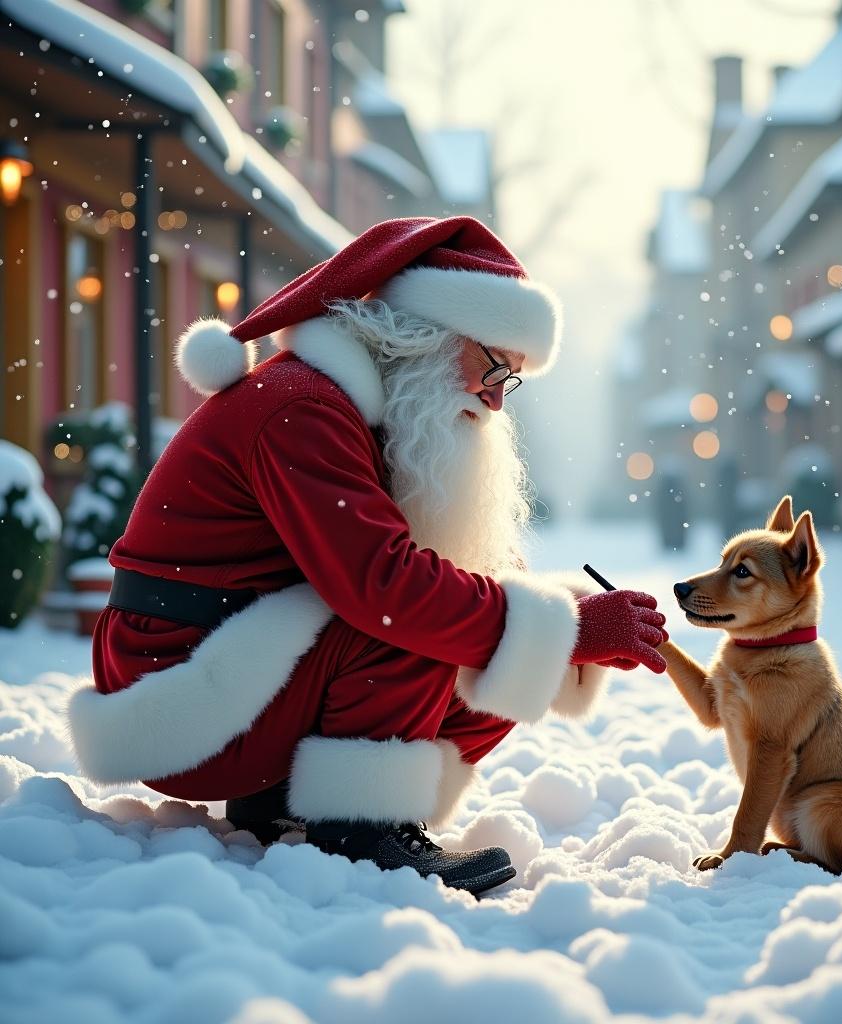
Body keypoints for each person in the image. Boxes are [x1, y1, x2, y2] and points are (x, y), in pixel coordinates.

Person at [69, 217, 668, 895]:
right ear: (421, 334)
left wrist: (561, 622)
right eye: (494, 365)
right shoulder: (300, 409)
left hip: (235, 658)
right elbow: (383, 586)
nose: (497, 399)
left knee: (499, 645)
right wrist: (568, 628)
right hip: (177, 688)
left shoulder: (353, 411)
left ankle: (295, 799)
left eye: (513, 380)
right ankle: (359, 822)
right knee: (419, 608)